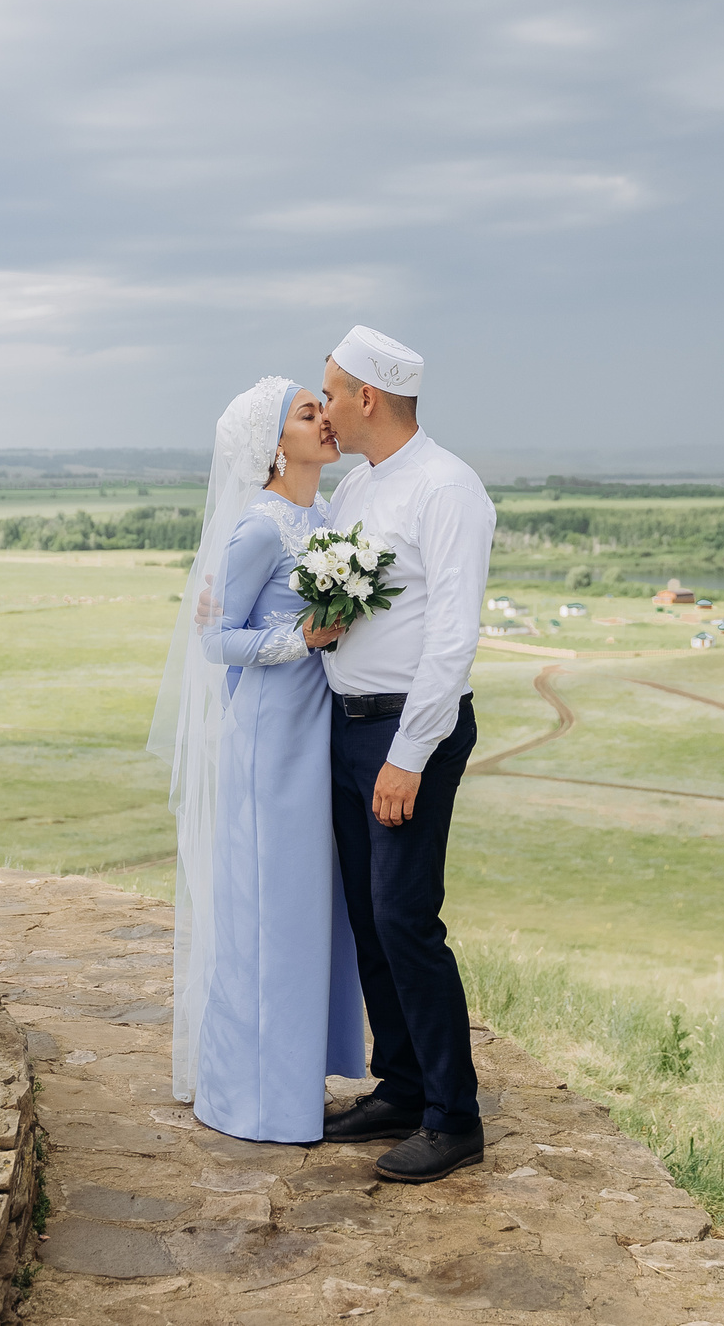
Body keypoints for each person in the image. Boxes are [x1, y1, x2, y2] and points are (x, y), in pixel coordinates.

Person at [148, 376, 366, 1143]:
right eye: (309, 413)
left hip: (319, 733)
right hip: (270, 737)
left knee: (312, 911)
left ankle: (301, 1082)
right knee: (271, 912)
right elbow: (216, 639)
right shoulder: (259, 530)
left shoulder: (327, 516)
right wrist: (298, 640)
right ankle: (256, 1100)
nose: (326, 419)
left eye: (322, 408)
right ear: (275, 444)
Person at [315, 326, 497, 1183]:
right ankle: (401, 1082)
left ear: (368, 399)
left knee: (405, 917)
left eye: (329, 391)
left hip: (406, 735)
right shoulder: (355, 487)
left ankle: (454, 1115)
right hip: (348, 724)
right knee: (366, 914)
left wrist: (409, 753)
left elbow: (452, 635)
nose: (322, 407)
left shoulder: (449, 488)